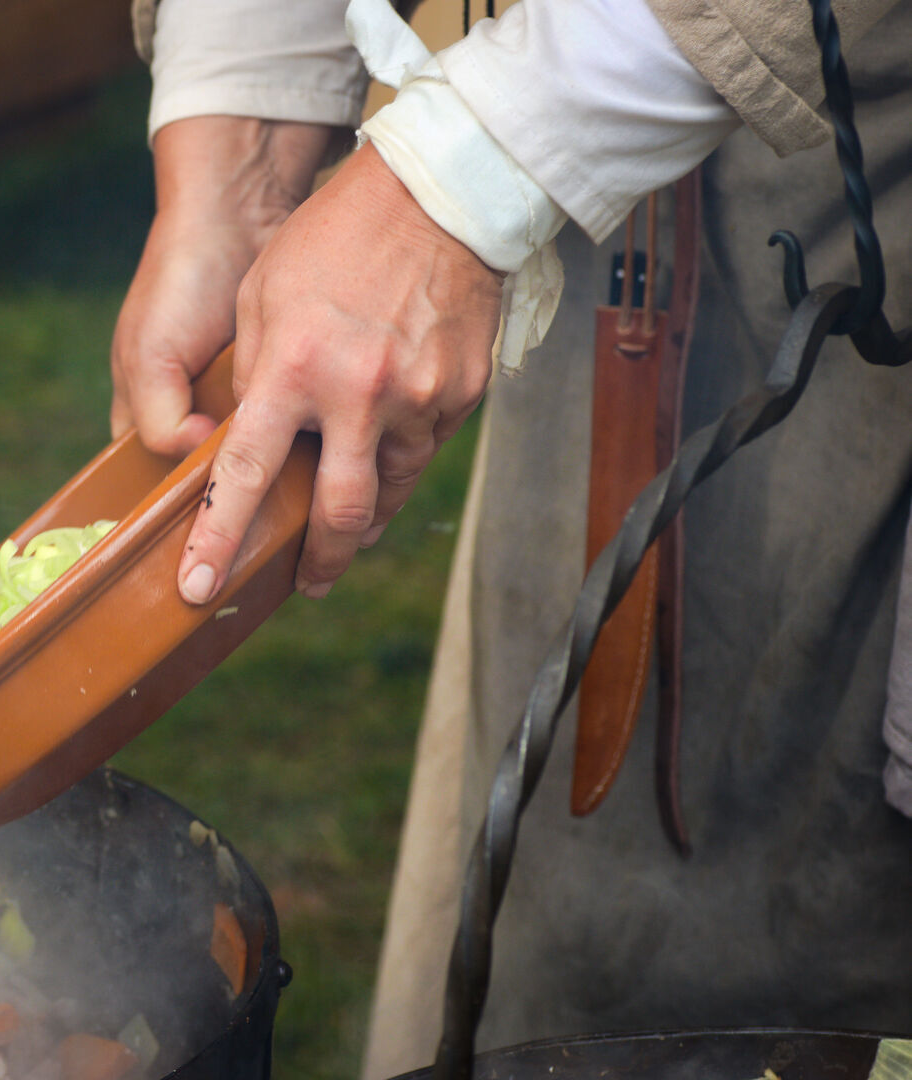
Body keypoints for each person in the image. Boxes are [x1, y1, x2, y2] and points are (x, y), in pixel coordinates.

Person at [110, 0, 912, 1075]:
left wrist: (458, 180)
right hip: (574, 194)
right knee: (558, 924)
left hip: (857, 164)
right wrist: (238, 153)